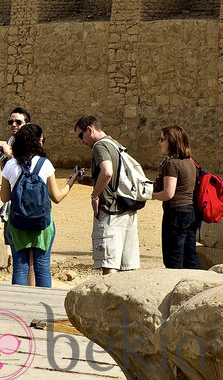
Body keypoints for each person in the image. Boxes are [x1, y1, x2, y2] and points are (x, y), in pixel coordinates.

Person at [0, 124, 78, 287]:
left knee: (20, 267)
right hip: (42, 223)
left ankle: (19, 308)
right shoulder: (45, 164)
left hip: (18, 222)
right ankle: (42, 307)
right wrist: (71, 182)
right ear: (38, 142)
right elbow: (56, 197)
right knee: (42, 266)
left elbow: (4, 197)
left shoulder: (10, 165)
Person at [73, 115, 140, 275]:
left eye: (81, 136)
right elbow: (112, 179)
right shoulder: (115, 145)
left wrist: (94, 196)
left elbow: (107, 172)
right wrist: (87, 180)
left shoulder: (99, 147)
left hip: (110, 213)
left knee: (109, 266)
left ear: (89, 129)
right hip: (127, 210)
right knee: (127, 269)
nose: (82, 141)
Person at [151, 125, 200, 269]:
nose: (159, 143)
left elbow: (168, 193)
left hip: (175, 214)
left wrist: (150, 195)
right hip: (190, 211)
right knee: (190, 254)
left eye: (162, 140)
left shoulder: (171, 164)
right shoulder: (190, 162)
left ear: (172, 142)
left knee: (174, 257)